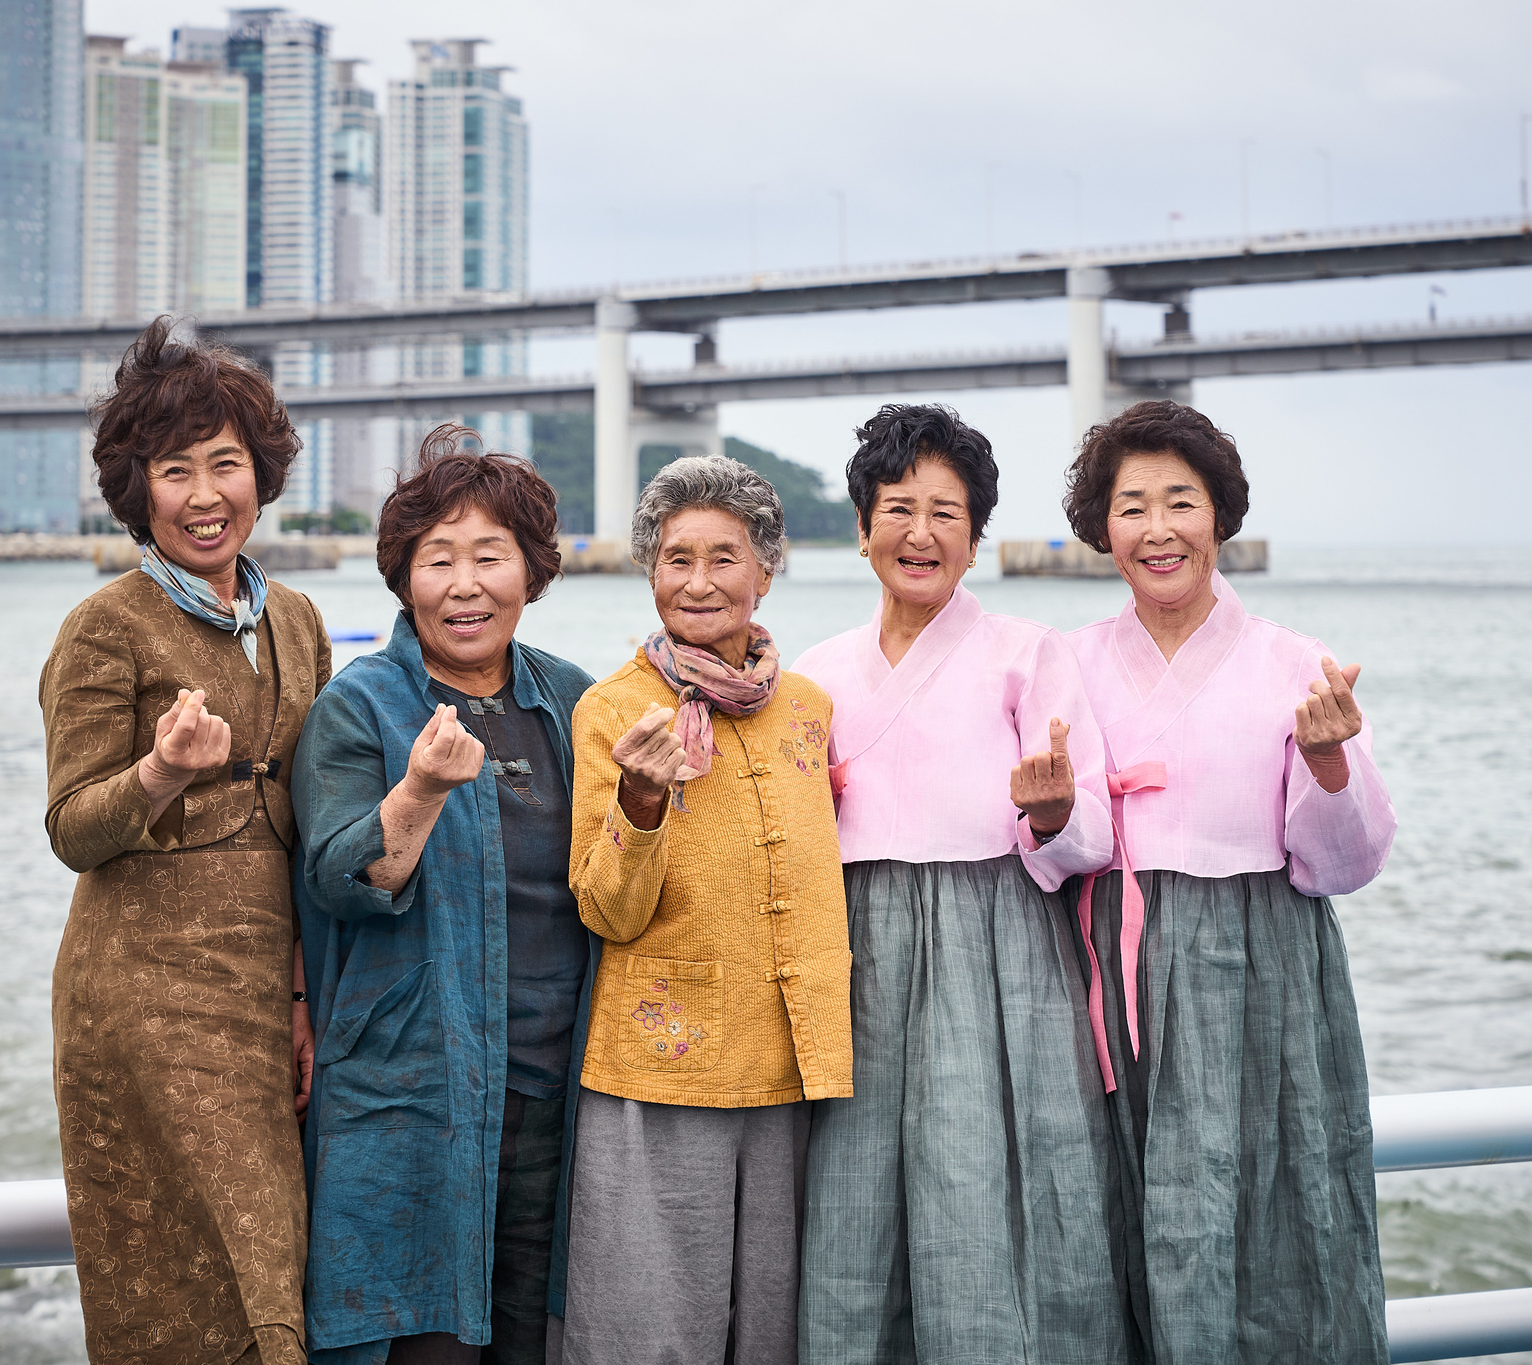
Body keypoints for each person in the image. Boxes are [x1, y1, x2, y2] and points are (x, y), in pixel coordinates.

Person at [794, 403, 1133, 1364]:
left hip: (999, 950)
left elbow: (1090, 840)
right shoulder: (815, 678)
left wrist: (1052, 813)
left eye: (947, 513)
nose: (920, 533)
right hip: (856, 952)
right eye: (898, 509)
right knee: (851, 1194)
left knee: (989, 1184)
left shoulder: (1030, 654)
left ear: (975, 540)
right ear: (861, 531)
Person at [1060, 400, 1395, 1364]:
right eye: (1131, 507)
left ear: (1220, 515)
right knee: (1118, 1209)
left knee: (1276, 1201)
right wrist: (1045, 815)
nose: (1157, 530)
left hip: (1262, 965)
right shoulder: (1069, 663)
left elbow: (1342, 863)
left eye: (1181, 502)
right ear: (1100, 527)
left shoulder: (1295, 664)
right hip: (1109, 966)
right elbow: (1054, 844)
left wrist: (1328, 763)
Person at [41, 317, 331, 1365]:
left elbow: (310, 820)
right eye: (176, 471)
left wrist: (304, 994)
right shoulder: (104, 627)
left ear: (262, 476)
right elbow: (72, 827)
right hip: (141, 998)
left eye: (227, 465)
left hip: (263, 995)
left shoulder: (294, 619)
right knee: (199, 1290)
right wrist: (161, 772)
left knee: (279, 1264)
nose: (207, 495)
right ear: (138, 490)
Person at [290, 426, 595, 1365]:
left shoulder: (576, 701)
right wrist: (418, 792)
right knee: (415, 1343)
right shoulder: (361, 706)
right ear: (403, 577)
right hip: (412, 1094)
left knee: (527, 1340)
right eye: (438, 560)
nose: (465, 586)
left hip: (556, 1094)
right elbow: (339, 877)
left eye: (490, 557)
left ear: (531, 572)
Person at [559, 455, 852, 1365]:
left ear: (764, 572)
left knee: (771, 1332)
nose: (698, 581)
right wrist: (641, 804)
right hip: (661, 1061)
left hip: (790, 1059)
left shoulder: (807, 707)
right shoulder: (612, 711)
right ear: (649, 572)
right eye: (675, 558)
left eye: (724, 558)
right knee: (648, 1328)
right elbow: (605, 909)